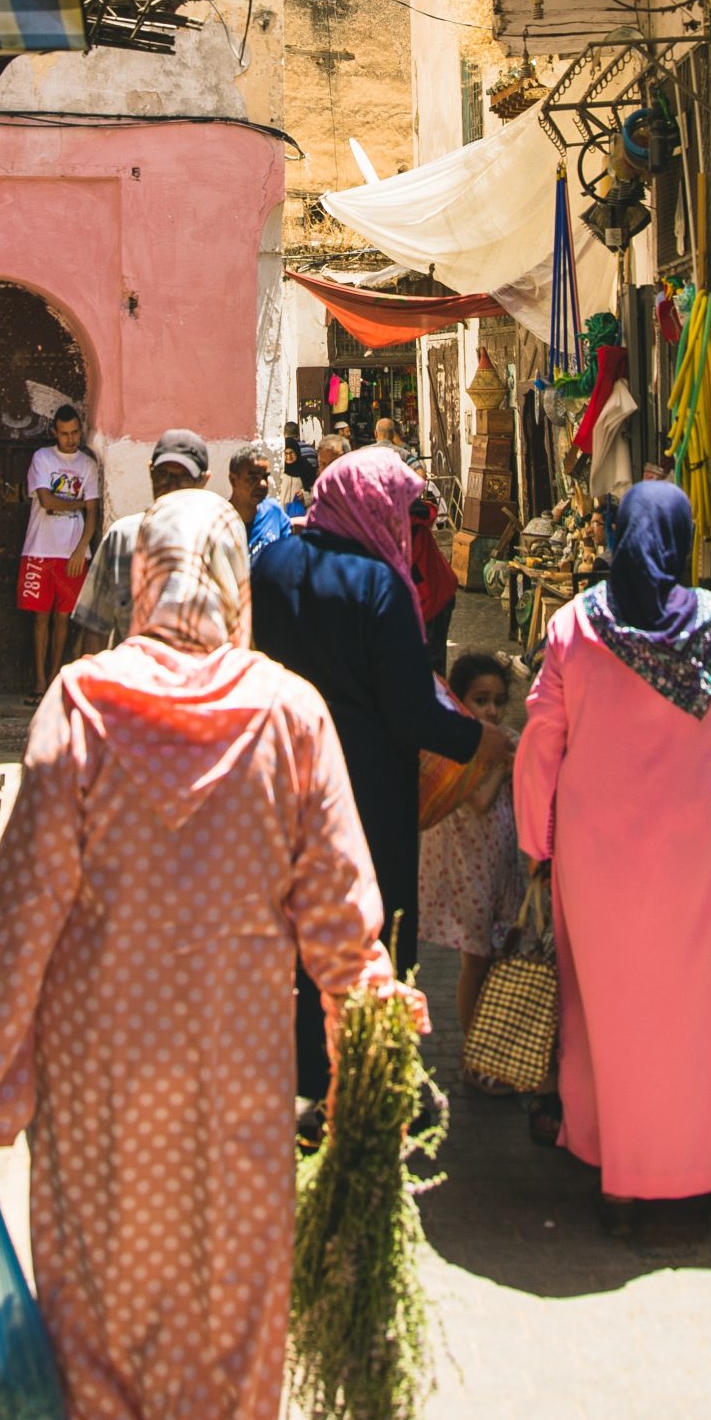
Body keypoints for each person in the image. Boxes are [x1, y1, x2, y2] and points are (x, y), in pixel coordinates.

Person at [0, 489, 419, 1420]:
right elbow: (343, 922)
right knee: (228, 1344)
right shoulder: (289, 714)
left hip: (96, 1106)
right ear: (239, 588)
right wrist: (362, 1072)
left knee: (95, 1340)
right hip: (237, 1105)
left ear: (140, 580)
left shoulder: (81, 702)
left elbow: (17, 911)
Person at [513, 480, 711, 1236]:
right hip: (700, 852)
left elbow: (539, 744)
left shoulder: (570, 628)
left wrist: (534, 842)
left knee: (612, 1008)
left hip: (599, 856)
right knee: (706, 1007)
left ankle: (619, 1173)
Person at [253, 445, 512, 1098]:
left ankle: (309, 1070)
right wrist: (477, 739)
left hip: (281, 778)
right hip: (366, 789)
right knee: (376, 930)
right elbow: (408, 710)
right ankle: (371, 1079)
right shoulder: (378, 585)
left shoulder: (270, 564)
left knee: (298, 925)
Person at [419, 651, 524, 1051]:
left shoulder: (502, 742)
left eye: (499, 701)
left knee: (494, 957)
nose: (493, 711)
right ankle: (473, 1051)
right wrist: (503, 766)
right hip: (468, 871)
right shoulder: (462, 747)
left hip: (499, 864)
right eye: (482, 700)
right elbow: (480, 802)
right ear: (462, 703)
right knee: (476, 959)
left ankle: (489, 1045)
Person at [68, 430, 210, 653]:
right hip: (133, 681)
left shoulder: (217, 541)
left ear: (203, 480)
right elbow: (95, 629)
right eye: (163, 475)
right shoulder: (122, 539)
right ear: (151, 472)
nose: (171, 485)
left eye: (183, 477)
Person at [21, 405, 101, 697]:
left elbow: (93, 513)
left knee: (63, 618)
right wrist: (78, 504)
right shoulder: (41, 458)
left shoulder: (88, 465)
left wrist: (82, 549)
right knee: (40, 617)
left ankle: (55, 676)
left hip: (72, 553)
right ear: (54, 432)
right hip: (40, 547)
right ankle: (39, 680)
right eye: (64, 434)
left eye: (75, 433)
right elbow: (47, 501)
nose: (70, 439)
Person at [409, 483, 459, 672]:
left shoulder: (401, 523)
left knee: (431, 668)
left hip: (431, 598)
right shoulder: (406, 515)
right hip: (434, 594)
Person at [229, 441, 292, 561]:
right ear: (233, 480)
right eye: (253, 478)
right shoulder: (220, 519)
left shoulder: (274, 512)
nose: (262, 484)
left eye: (265, 477)